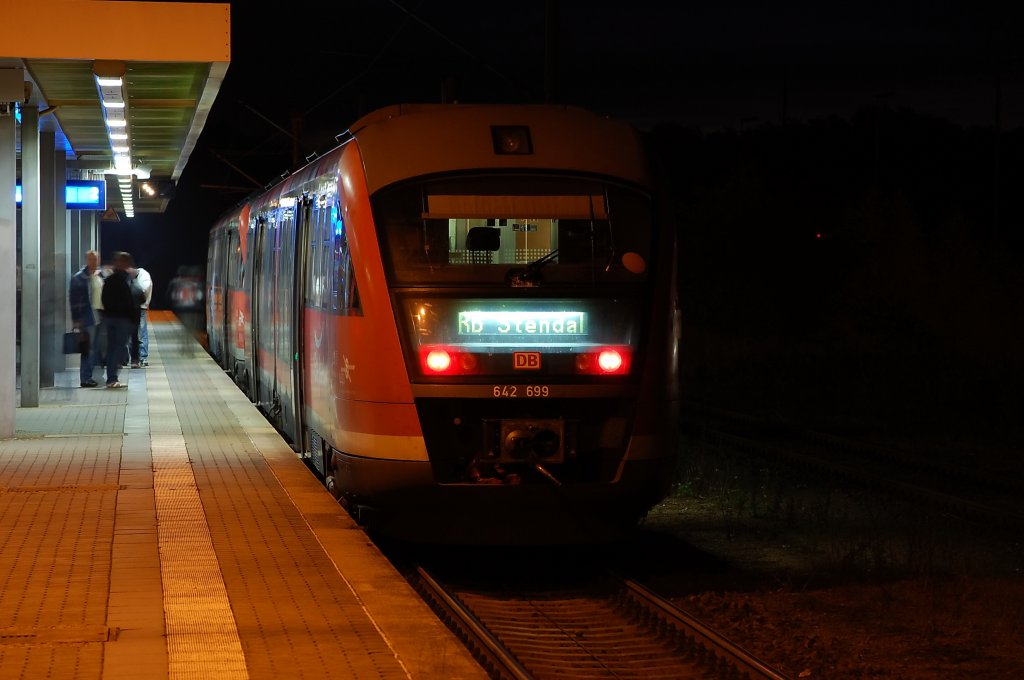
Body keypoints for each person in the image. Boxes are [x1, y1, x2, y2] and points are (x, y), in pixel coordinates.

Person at [100, 252, 138, 389]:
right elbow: (128, 301)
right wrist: (132, 318)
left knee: (112, 349)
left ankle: (111, 378)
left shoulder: (109, 280)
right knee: (117, 350)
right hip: (121, 320)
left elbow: (104, 298)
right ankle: (112, 379)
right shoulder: (122, 280)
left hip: (110, 318)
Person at [68, 250, 99, 387]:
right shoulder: (78, 278)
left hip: (97, 318)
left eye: (96, 259)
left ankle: (88, 376)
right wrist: (77, 321)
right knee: (87, 349)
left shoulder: (98, 276)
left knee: (93, 349)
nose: (94, 262)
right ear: (86, 260)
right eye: (91, 259)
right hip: (86, 319)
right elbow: (74, 302)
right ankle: (85, 378)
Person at [130, 265, 153, 368]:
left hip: (141, 308)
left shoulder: (144, 276)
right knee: (132, 334)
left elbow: (142, 291)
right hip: (130, 308)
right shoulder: (128, 276)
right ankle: (134, 358)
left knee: (141, 332)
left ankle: (143, 357)